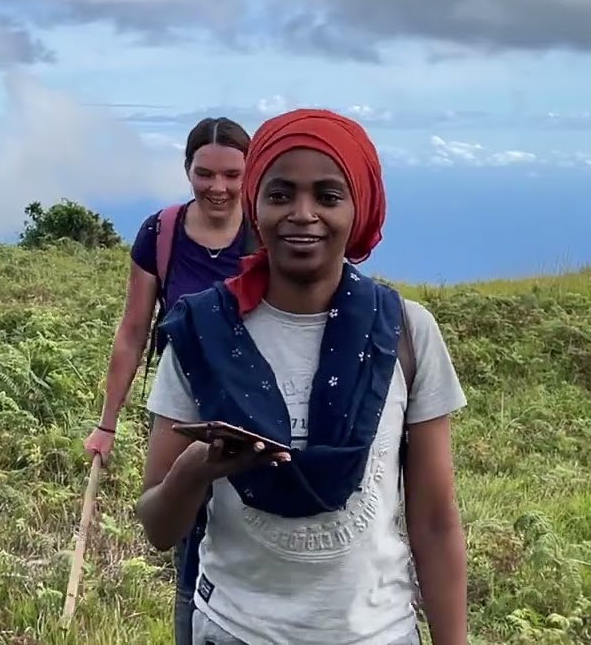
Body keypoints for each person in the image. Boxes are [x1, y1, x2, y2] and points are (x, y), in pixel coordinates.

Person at [135, 108, 469, 645]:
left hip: (377, 633)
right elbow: (157, 526)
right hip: (235, 631)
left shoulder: (405, 332)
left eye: (328, 196)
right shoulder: (201, 333)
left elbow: (434, 524)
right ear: (256, 206)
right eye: (281, 194)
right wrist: (196, 468)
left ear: (358, 209)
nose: (302, 213)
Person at [83, 115, 254, 644]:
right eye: (205, 173)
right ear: (187, 170)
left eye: (232, 174)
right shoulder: (161, 234)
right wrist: (106, 425)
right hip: (182, 420)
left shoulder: (267, 233)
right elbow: (133, 331)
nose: (218, 187)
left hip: (259, 418)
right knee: (189, 542)